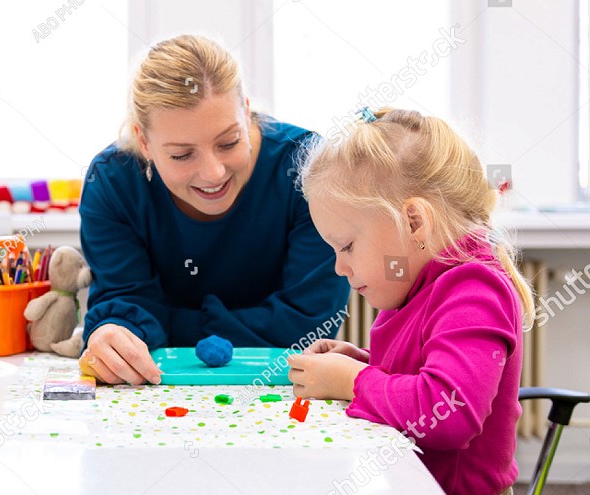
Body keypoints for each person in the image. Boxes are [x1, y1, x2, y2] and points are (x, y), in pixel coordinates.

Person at [78, 34, 350, 386]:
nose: (213, 173)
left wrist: (167, 324)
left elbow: (308, 322)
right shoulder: (112, 182)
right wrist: (113, 334)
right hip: (158, 392)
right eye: (181, 154)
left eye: (229, 142)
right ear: (143, 142)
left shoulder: (309, 168)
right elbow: (124, 304)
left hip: (284, 387)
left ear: (246, 110)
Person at [288, 107, 533, 495]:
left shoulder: (474, 289)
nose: (339, 268)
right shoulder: (422, 282)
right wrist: (364, 362)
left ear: (414, 222)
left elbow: (447, 412)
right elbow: (425, 370)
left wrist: (353, 382)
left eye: (347, 246)